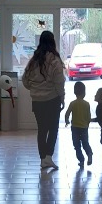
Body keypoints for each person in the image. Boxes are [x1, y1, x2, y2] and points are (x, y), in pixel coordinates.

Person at [22, 30, 65, 170]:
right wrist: (62, 98)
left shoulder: (34, 61)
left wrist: (34, 89)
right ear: (53, 42)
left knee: (42, 129)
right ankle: (48, 158)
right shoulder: (55, 61)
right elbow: (59, 82)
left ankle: (43, 159)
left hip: (37, 101)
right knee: (53, 129)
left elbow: (25, 80)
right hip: (52, 100)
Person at [65, 81, 93, 168]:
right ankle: (89, 154)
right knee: (85, 143)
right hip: (84, 128)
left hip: (75, 128)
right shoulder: (87, 104)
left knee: (77, 145)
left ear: (75, 92)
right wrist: (87, 124)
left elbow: (67, 113)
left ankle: (81, 160)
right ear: (84, 93)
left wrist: (67, 121)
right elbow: (88, 116)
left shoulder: (73, 103)